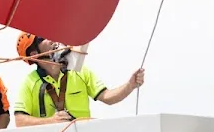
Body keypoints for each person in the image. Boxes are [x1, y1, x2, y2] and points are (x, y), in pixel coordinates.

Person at [11, 32, 145, 126]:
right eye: (43, 38)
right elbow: (20, 121)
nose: (51, 38)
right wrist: (51, 121)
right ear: (34, 54)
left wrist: (130, 85)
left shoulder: (80, 71)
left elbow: (107, 97)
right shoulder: (30, 82)